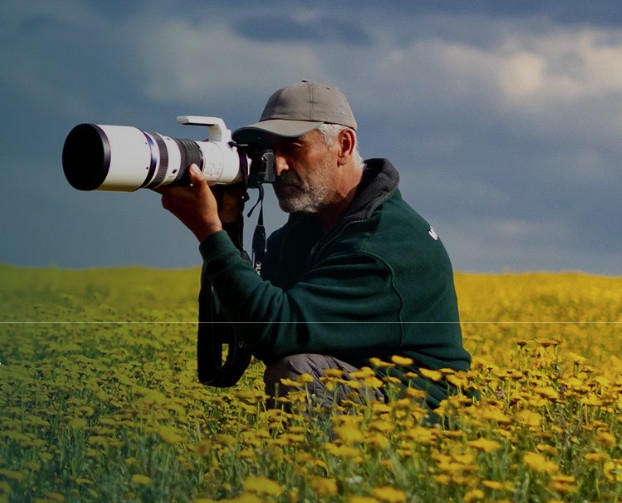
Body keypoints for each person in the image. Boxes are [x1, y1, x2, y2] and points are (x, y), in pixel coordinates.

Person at [156, 81, 472, 413]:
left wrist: (210, 232)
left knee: (297, 373)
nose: (277, 166)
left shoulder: (383, 244)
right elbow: (246, 323)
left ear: (344, 147)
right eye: (268, 151)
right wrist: (228, 221)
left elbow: (275, 330)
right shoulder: (308, 230)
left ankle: (316, 467)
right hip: (376, 392)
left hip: (425, 419)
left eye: (293, 149)